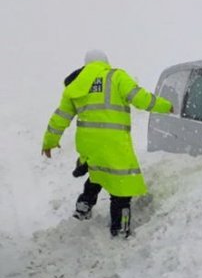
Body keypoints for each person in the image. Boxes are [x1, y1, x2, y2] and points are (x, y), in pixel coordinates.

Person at [41, 50, 173, 238]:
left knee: (98, 173)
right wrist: (166, 106)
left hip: (89, 144)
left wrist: (49, 142)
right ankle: (120, 228)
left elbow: (60, 117)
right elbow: (141, 98)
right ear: (105, 62)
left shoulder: (76, 85)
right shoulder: (116, 76)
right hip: (114, 144)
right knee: (121, 184)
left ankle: (84, 206)